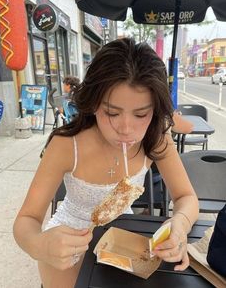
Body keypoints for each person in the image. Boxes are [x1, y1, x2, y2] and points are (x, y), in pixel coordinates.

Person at [13, 38, 199, 288]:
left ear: (155, 109)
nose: (125, 128)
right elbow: (26, 219)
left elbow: (186, 197)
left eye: (141, 114)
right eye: (111, 112)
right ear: (93, 103)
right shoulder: (67, 145)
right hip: (68, 241)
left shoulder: (155, 138)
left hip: (124, 235)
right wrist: (39, 244)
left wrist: (180, 224)